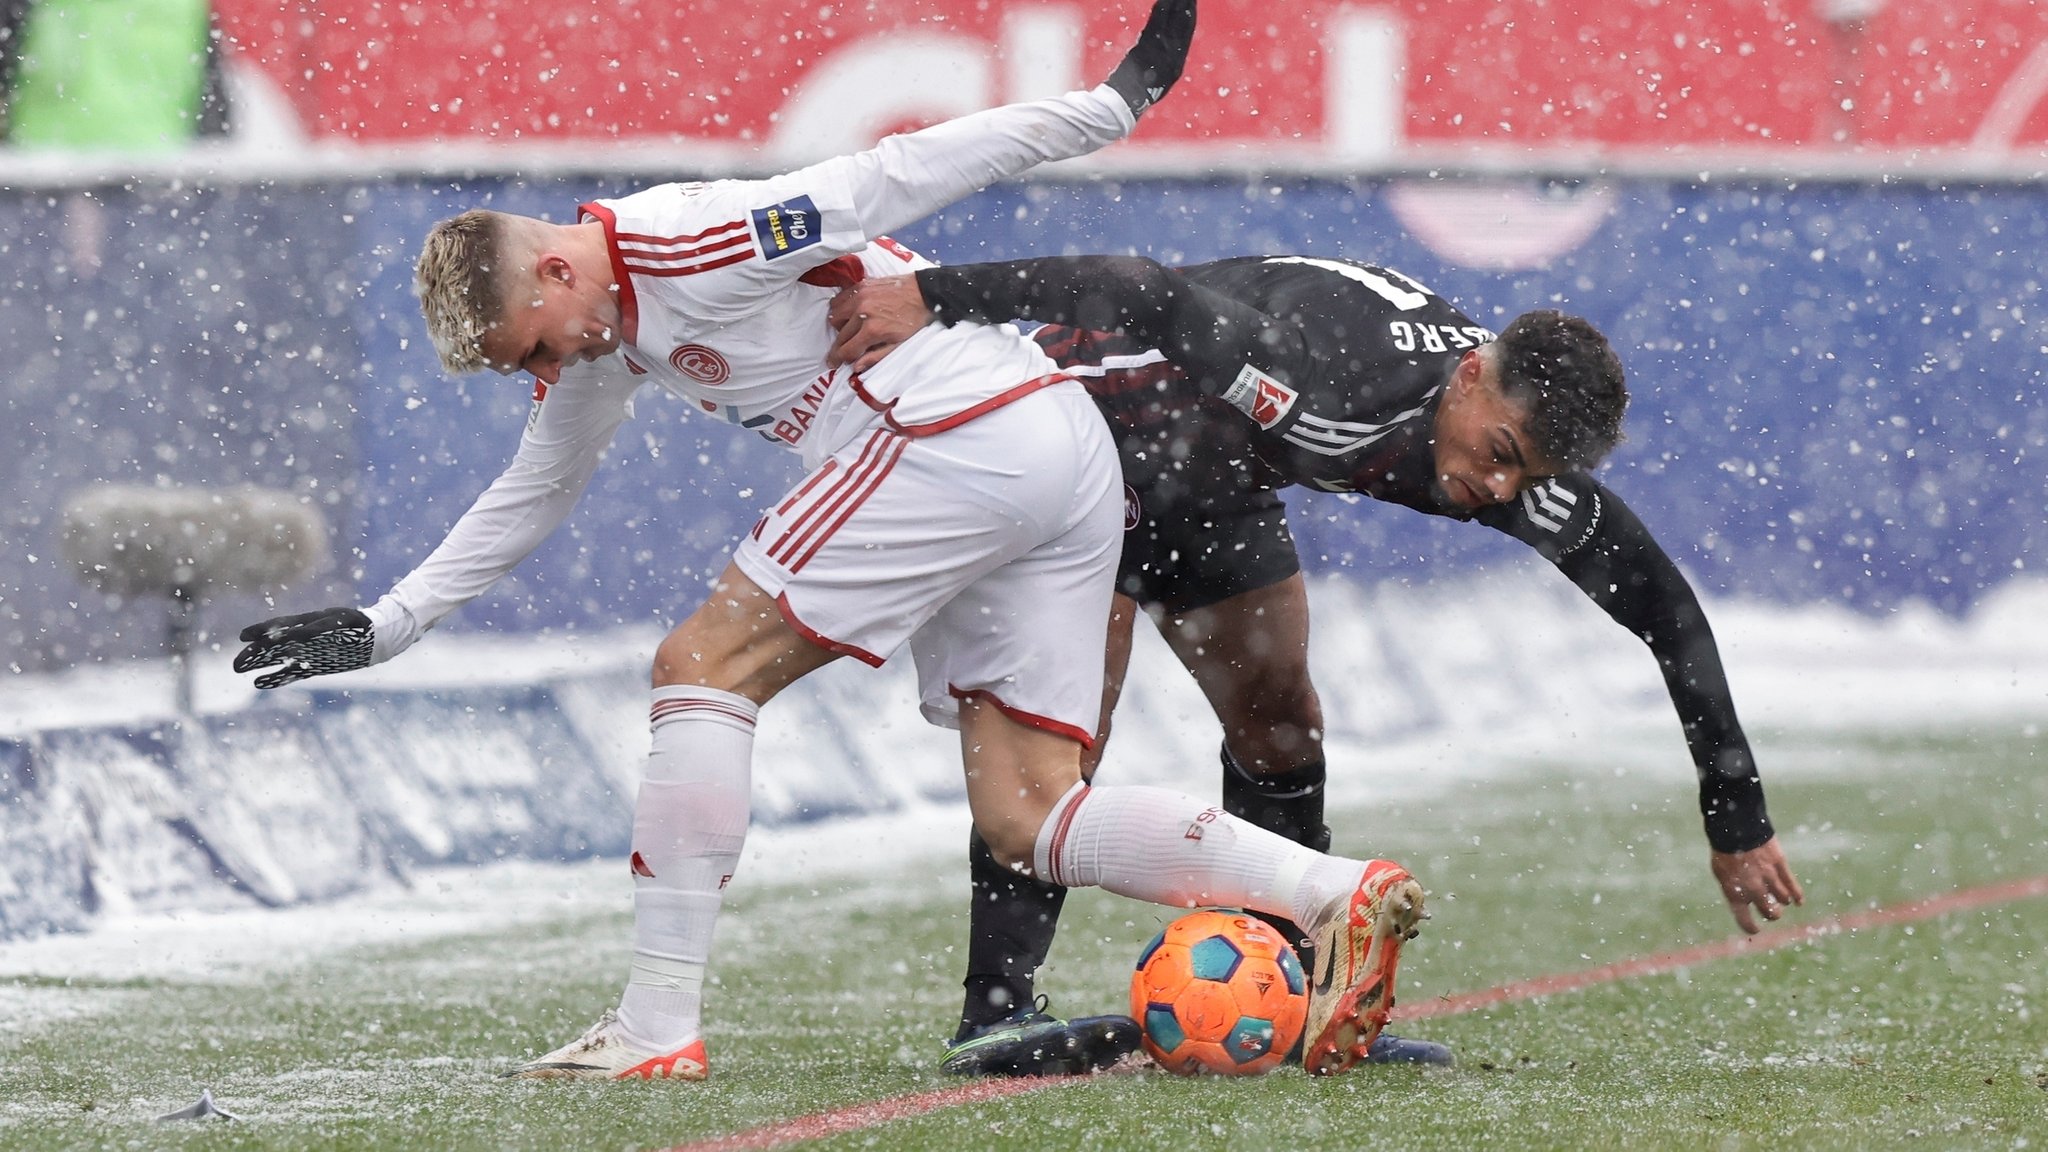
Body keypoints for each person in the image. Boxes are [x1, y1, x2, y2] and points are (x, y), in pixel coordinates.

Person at [232, 1, 1430, 1083]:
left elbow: (893, 168)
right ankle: (1330, 893)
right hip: (1051, 449)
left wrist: (1104, 107)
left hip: (956, 430)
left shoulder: (684, 239)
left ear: (553, 267)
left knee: (701, 668)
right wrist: (392, 621)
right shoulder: (609, 324)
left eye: (534, 348)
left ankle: (655, 1026)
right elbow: (534, 487)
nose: (548, 372)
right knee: (1029, 815)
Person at [825, 252, 1807, 1074]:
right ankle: (994, 1015)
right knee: (1070, 730)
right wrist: (932, 297)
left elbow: (1664, 611)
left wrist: (1735, 817)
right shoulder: (1319, 372)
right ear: (1469, 375)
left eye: (1526, 476)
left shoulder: (1502, 461)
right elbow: (1142, 291)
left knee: (1278, 716)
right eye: (1498, 452)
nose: (1495, 488)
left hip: (1211, 477)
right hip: (1080, 441)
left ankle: (1286, 993)